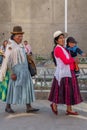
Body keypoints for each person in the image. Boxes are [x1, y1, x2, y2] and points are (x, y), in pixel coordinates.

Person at [0, 26, 39, 113]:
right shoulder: (10, 46)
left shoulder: (20, 45)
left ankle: (29, 107)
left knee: (27, 87)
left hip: (25, 71)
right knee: (13, 88)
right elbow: (7, 60)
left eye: (21, 36)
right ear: (13, 36)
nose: (20, 38)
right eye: (18, 36)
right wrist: (11, 73)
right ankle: (8, 106)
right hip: (16, 72)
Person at [48, 31, 83, 115]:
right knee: (61, 91)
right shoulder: (58, 49)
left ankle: (68, 109)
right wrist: (74, 60)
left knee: (68, 91)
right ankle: (54, 104)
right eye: (60, 38)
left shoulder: (62, 48)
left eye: (63, 37)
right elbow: (66, 61)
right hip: (64, 73)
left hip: (68, 72)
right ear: (56, 40)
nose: (63, 39)